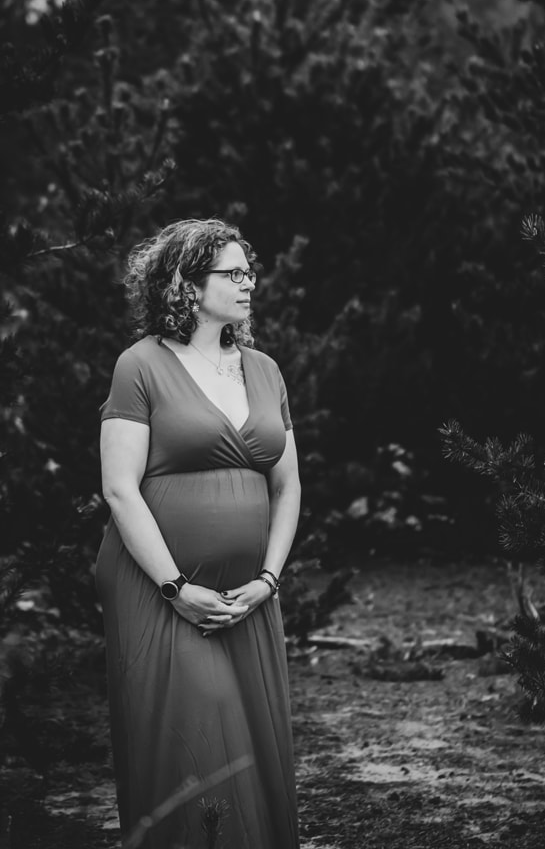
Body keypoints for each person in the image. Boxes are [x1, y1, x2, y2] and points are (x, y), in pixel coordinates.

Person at [96, 218, 301, 849]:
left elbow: (288, 485)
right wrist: (175, 586)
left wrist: (268, 579)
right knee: (198, 740)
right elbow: (119, 489)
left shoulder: (265, 370)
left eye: (249, 273)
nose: (248, 284)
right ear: (186, 283)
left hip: (248, 594)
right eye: (232, 274)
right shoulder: (141, 366)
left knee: (256, 747)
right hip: (160, 590)